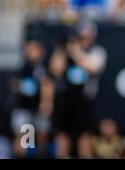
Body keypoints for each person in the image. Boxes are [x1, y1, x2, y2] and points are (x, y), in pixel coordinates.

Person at [50, 21, 107, 158]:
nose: (84, 40)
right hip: (66, 101)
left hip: (85, 103)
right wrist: (61, 50)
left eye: (87, 37)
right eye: (81, 37)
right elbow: (55, 70)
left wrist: (76, 53)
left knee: (85, 146)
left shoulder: (97, 52)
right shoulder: (66, 51)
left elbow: (93, 67)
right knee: (62, 145)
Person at [11, 40, 54, 158]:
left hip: (39, 111)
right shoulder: (22, 68)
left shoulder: (43, 69)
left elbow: (48, 85)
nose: (33, 52)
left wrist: (46, 103)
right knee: (24, 138)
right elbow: (15, 85)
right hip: (24, 109)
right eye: (30, 49)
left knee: (42, 138)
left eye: (35, 49)